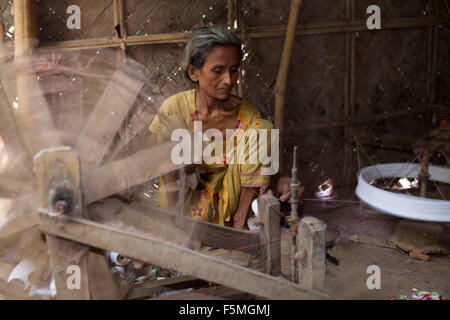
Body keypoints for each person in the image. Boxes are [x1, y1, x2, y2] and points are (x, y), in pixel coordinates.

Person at [149, 26, 301, 229]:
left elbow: (260, 172)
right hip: (186, 207)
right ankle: (176, 227)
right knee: (171, 126)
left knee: (262, 128)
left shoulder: (248, 114)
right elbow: (148, 159)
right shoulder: (174, 107)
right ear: (194, 72)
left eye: (234, 69)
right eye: (218, 70)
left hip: (232, 209)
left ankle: (239, 228)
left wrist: (283, 184)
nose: (229, 80)